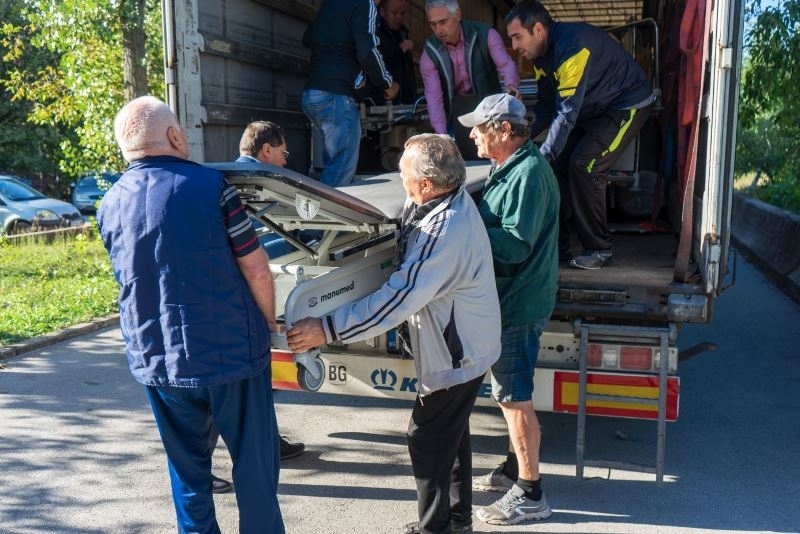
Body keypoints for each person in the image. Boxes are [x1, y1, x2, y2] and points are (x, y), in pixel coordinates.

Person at [287, 133, 502, 534]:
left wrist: (327, 328)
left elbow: (397, 300)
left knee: (425, 438)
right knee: (450, 436)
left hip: (457, 353)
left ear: (426, 183)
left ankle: (434, 527)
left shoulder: (445, 231)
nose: (398, 179)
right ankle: (455, 519)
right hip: (467, 343)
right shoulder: (440, 200)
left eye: (403, 173)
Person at [97, 96, 285, 533]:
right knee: (254, 469)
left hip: (159, 364)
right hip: (233, 357)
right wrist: (270, 323)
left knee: (188, 474)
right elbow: (256, 267)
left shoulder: (108, 205)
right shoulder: (211, 186)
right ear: (175, 136)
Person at [457, 93, 559, 526]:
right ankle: (515, 469)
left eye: (480, 126)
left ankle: (531, 494)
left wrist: (464, 237)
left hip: (517, 301)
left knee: (513, 397)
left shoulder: (529, 174)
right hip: (511, 296)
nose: (472, 133)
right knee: (511, 394)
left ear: (503, 130)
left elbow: (515, 244)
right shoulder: (509, 167)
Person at [505, 0, 656, 269]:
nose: (515, 46)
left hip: (626, 104)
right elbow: (547, 103)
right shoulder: (539, 56)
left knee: (585, 166)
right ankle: (558, 248)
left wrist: (543, 155)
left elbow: (565, 113)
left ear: (538, 29)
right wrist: (524, 135)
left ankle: (599, 249)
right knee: (559, 167)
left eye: (518, 37)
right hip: (594, 109)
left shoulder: (572, 48)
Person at [201, 121, 304, 495]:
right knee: (224, 388)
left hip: (225, 293)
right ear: (266, 151)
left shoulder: (223, 178)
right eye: (283, 153)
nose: (285, 159)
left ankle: (269, 442)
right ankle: (205, 469)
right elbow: (263, 251)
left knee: (257, 378)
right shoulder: (267, 183)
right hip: (244, 294)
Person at [302, 0, 400, 187]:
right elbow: (367, 51)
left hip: (312, 94)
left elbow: (307, 38)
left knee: (329, 167)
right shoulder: (366, 4)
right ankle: (325, 215)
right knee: (339, 173)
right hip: (337, 96)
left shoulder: (330, 5)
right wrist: (387, 82)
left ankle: (320, 209)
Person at [420, 0, 520, 148]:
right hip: (455, 118)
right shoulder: (429, 52)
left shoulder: (486, 34)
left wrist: (511, 86)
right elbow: (434, 97)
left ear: (458, 14)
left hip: (490, 113)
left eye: (443, 22)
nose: (438, 30)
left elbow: (506, 65)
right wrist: (442, 136)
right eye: (433, 24)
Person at [367, 0, 418, 105]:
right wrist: (400, 50)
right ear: (382, 12)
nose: (399, 17)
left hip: (405, 104)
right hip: (383, 104)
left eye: (402, 13)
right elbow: (374, 64)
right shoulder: (374, 34)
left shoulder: (401, 34)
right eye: (394, 13)